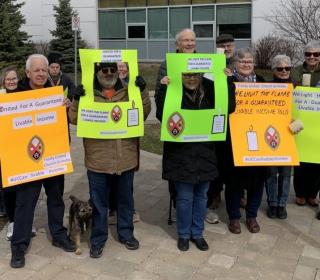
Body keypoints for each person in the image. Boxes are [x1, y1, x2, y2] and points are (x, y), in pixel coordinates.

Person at [68, 62, 151, 258]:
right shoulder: (88, 94)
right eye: (104, 70)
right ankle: (98, 239)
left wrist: (143, 92)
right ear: (97, 73)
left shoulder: (128, 91)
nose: (109, 74)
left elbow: (143, 114)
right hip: (98, 160)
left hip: (125, 158)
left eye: (112, 70)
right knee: (98, 203)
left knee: (125, 201)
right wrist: (77, 100)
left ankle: (126, 234)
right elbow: (74, 119)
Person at [157, 66, 235, 251]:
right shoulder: (174, 92)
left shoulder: (209, 92)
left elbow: (229, 107)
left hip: (205, 153)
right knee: (184, 198)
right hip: (180, 155)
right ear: (180, 76)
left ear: (201, 76)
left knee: (201, 197)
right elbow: (162, 115)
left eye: (195, 75)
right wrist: (162, 90)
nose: (191, 78)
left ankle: (198, 233)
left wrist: (228, 83)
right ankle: (184, 234)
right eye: (187, 75)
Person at [10, 54, 75, 269]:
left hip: (53, 157)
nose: (41, 74)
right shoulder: (15, 96)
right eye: (36, 70)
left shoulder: (55, 94)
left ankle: (58, 234)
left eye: (44, 70)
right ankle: (19, 245)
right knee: (25, 202)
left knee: (56, 198)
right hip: (28, 160)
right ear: (27, 73)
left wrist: (66, 106)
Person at [155, 28, 196, 224]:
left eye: (192, 40)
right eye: (185, 41)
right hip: (176, 123)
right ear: (177, 44)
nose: (189, 44)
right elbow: (160, 97)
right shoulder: (167, 64)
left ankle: (196, 207)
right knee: (176, 169)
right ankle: (177, 201)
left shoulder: (205, 62)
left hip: (198, 124)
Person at [224, 48, 266, 234]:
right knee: (234, 181)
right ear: (234, 65)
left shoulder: (264, 83)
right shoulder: (228, 81)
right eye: (242, 62)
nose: (246, 64)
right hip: (234, 139)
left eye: (249, 61)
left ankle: (251, 216)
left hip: (258, 140)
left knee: (257, 181)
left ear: (254, 64)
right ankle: (234, 217)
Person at [0, 67, 37, 240]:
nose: (12, 82)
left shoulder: (25, 95)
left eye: (14, 78)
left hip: (24, 149)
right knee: (8, 189)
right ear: (3, 81)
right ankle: (13, 222)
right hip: (5, 152)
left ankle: (27, 221)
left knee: (25, 188)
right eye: (8, 79)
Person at [291, 40, 320, 208]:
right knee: (301, 158)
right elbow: (293, 87)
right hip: (301, 116)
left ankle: (312, 194)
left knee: (317, 161)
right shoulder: (296, 71)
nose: (312, 57)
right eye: (308, 54)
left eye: (316, 54)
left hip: (317, 120)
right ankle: (301, 193)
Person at [265, 55, 293, 219]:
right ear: (274, 70)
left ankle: (282, 204)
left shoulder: (297, 87)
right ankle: (272, 203)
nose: (284, 71)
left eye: (287, 68)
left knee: (285, 173)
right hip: (271, 133)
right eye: (280, 68)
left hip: (290, 134)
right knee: (271, 171)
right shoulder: (266, 87)